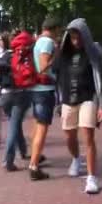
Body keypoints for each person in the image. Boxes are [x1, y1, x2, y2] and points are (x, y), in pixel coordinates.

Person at [55, 19, 102, 194]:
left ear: (85, 36)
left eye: (78, 37)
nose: (76, 41)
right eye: (72, 38)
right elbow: (55, 76)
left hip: (88, 98)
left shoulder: (94, 53)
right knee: (69, 136)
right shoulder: (63, 54)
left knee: (88, 136)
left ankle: (92, 178)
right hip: (68, 100)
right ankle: (76, 159)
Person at [0, 31, 33, 171]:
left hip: (4, 94)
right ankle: (8, 160)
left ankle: (23, 151)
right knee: (14, 126)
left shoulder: (2, 56)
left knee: (15, 123)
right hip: (19, 94)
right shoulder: (21, 55)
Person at [29, 16, 62, 181]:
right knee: (42, 128)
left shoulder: (38, 41)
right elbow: (43, 67)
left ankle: (34, 158)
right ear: (54, 29)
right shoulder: (47, 43)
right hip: (44, 89)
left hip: (36, 89)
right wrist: (57, 55)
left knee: (36, 125)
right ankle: (34, 166)